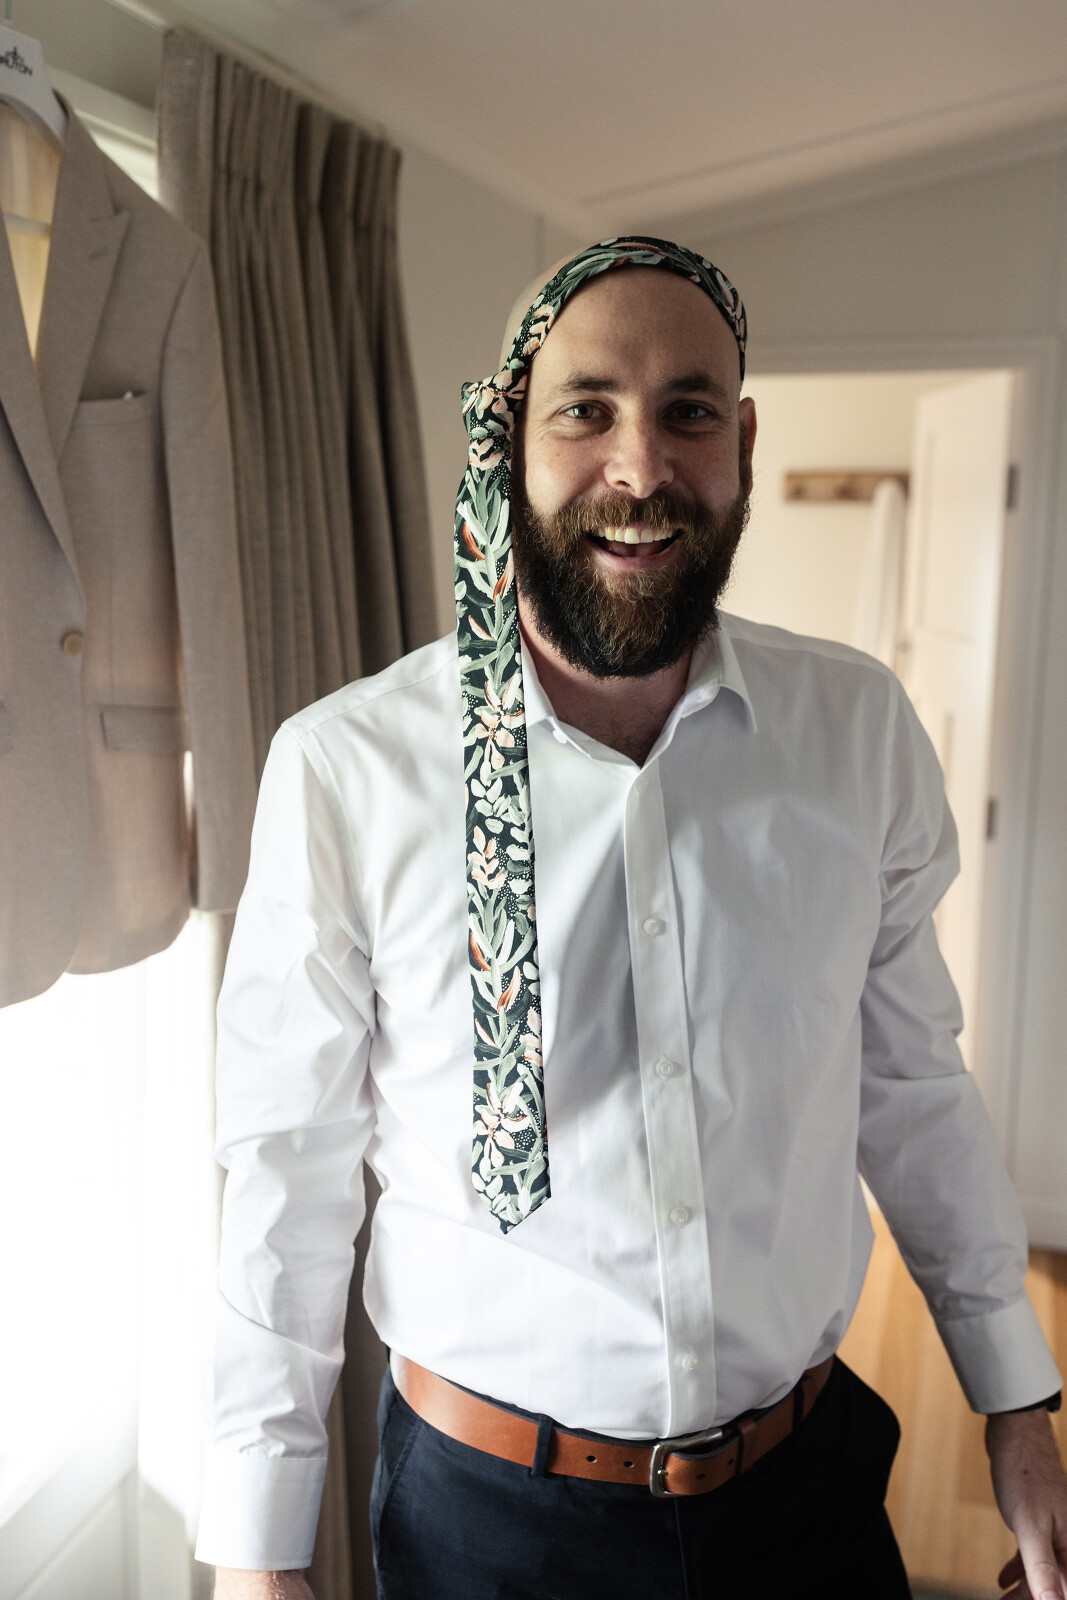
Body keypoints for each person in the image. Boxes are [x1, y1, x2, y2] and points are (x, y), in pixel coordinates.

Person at [198, 238, 1067, 1600]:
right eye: (587, 408)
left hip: (807, 1498)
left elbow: (911, 1083)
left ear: (744, 444)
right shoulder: (344, 771)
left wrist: (1017, 1403)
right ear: (510, 439)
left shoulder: (858, 735)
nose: (641, 466)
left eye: (689, 411)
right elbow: (285, 1178)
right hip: (486, 1528)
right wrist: (258, 1556)